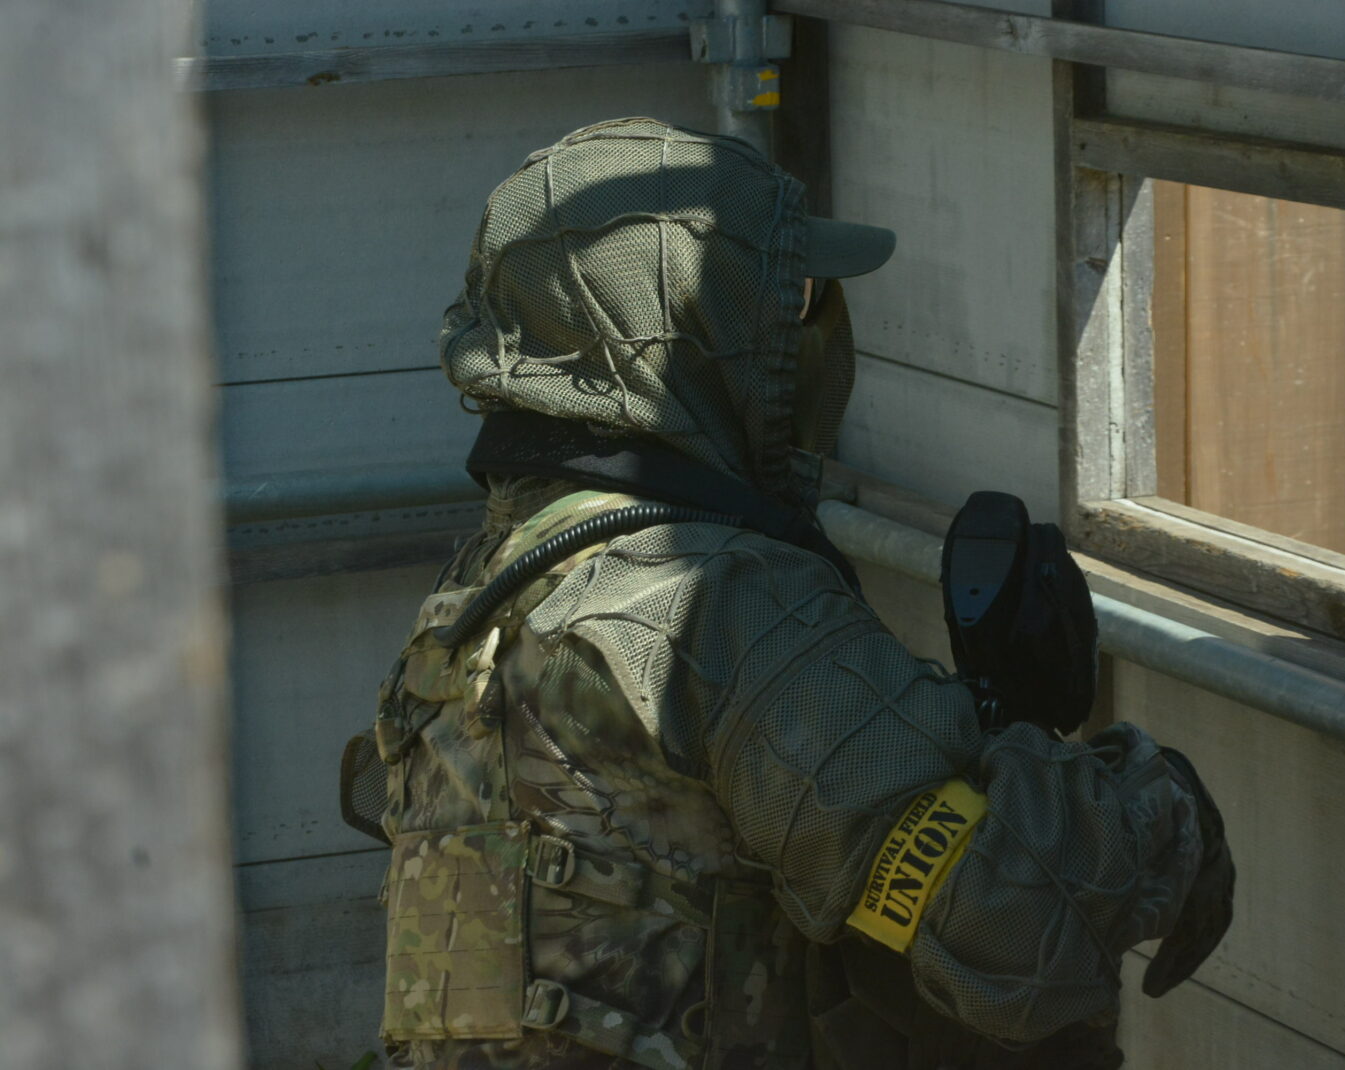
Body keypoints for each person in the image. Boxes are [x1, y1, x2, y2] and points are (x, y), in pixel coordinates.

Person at [370, 117, 1231, 1070]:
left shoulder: (478, 597)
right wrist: (1160, 809)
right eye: (792, 301)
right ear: (706, 333)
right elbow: (1010, 921)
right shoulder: (711, 600)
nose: (816, 330)